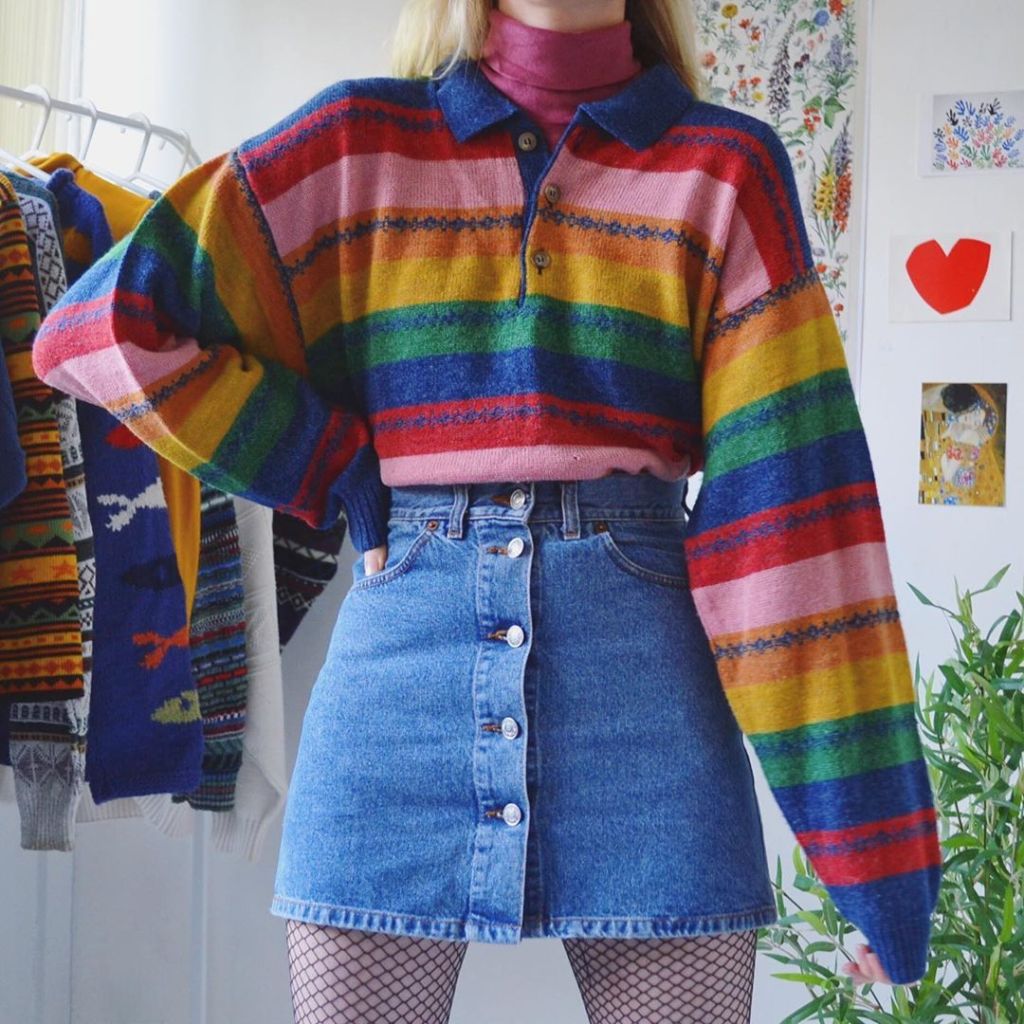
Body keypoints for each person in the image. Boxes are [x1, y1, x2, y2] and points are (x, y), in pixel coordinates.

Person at [31, 0, 943, 1020]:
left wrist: (877, 864)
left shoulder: (726, 169)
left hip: (649, 716)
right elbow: (97, 326)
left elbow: (796, 519)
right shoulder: (355, 144)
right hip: (392, 708)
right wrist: (331, 462)